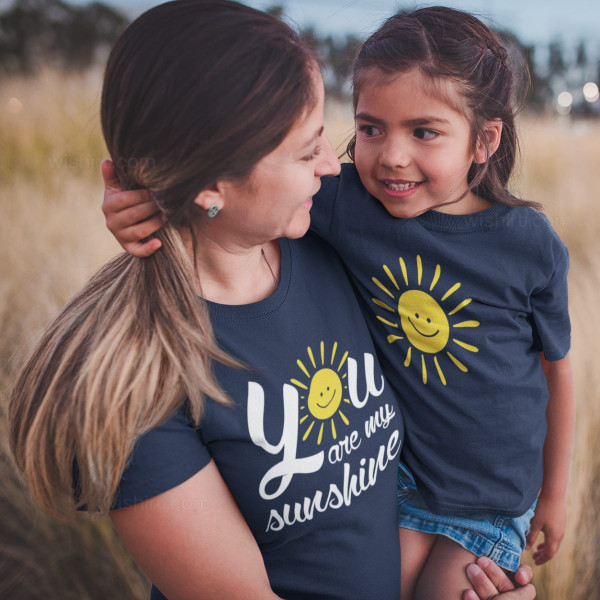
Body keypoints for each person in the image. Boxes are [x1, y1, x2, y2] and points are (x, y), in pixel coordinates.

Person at [99, 4, 568, 600]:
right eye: (307, 149)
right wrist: (153, 201)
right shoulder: (138, 376)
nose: (336, 163)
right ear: (213, 182)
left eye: (330, 134)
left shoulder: (323, 248)